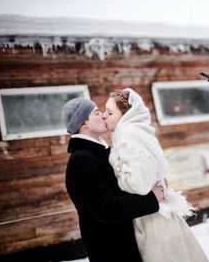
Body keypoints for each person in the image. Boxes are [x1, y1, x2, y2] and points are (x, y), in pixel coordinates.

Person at [104, 88, 209, 262]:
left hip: (153, 222)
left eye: (110, 112)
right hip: (159, 214)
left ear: (126, 115)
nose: (105, 116)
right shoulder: (137, 132)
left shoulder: (127, 135)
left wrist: (114, 162)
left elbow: (139, 184)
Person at [61, 97, 164, 262]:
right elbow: (107, 209)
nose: (103, 115)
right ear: (84, 123)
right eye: (96, 112)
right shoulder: (81, 162)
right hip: (112, 253)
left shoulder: (99, 153)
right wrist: (152, 199)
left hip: (126, 246)